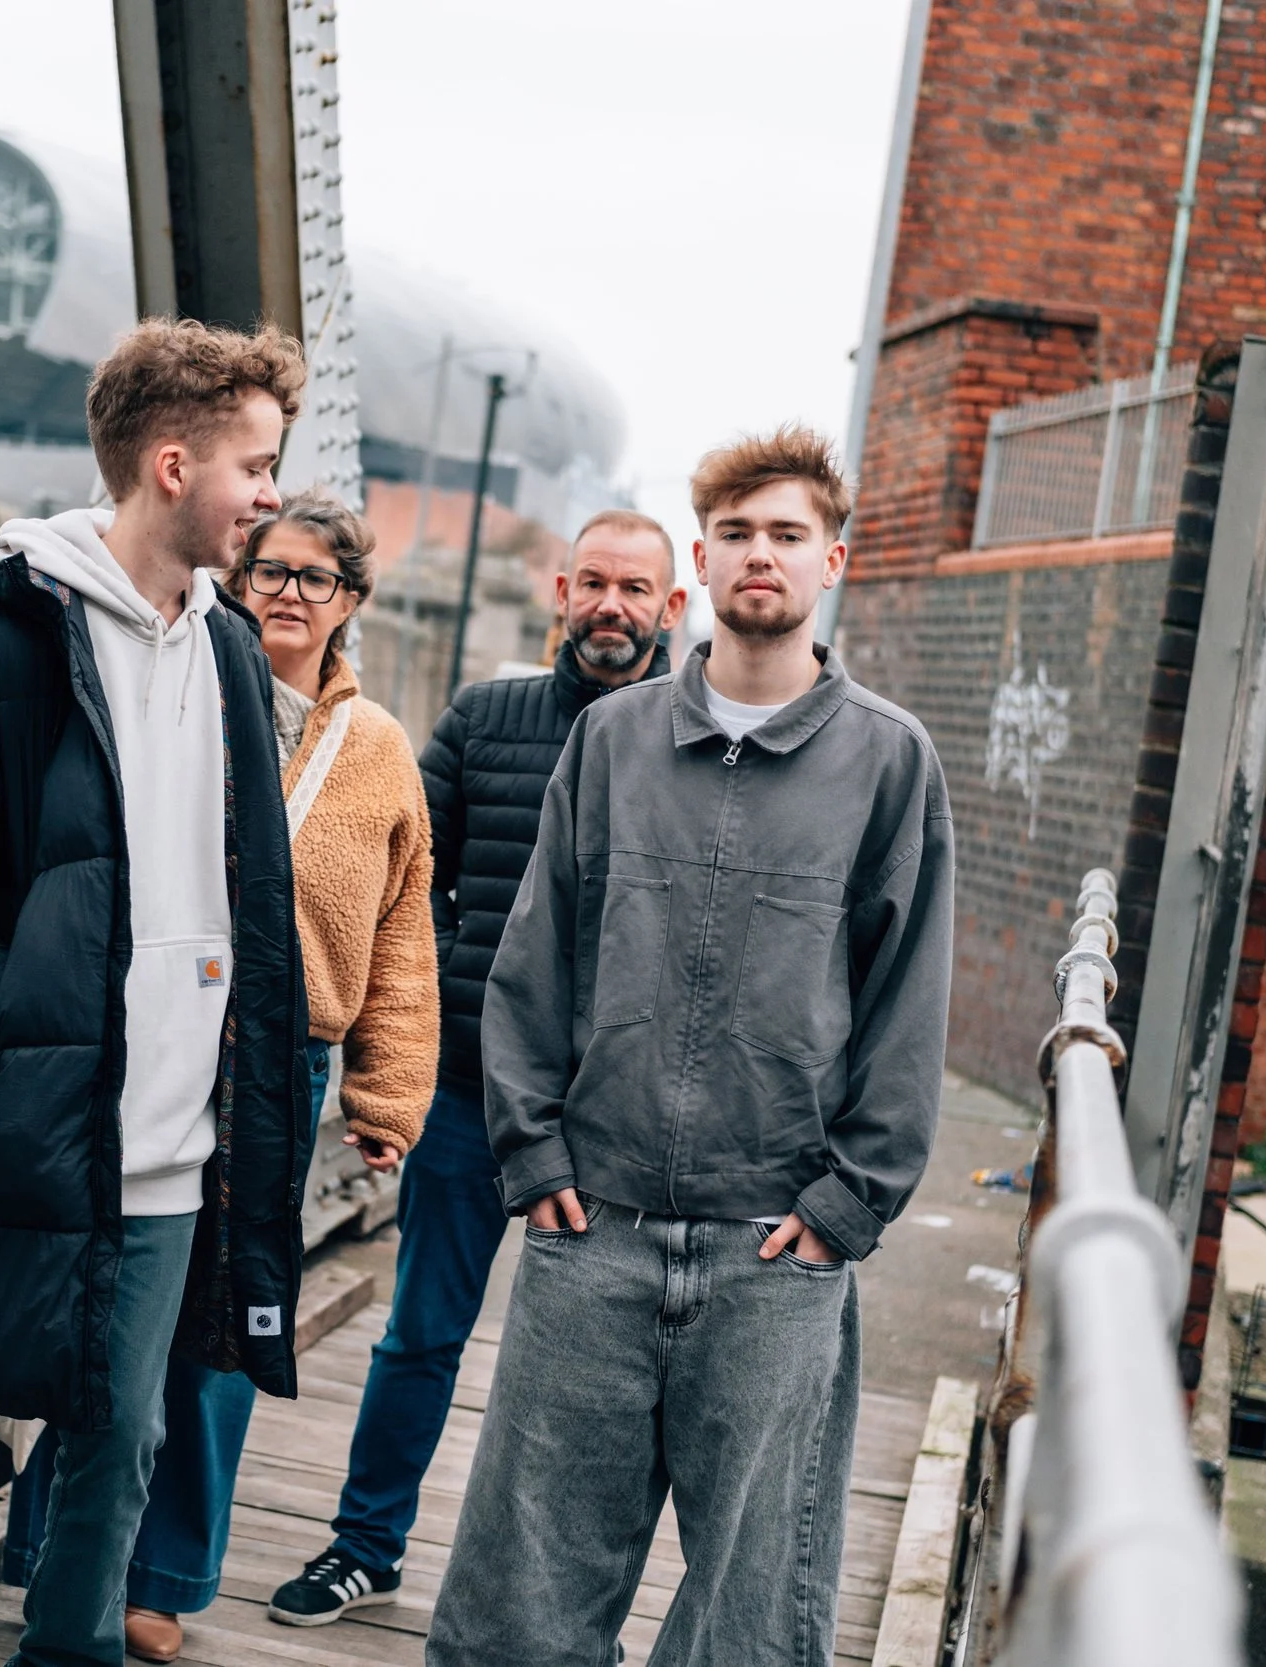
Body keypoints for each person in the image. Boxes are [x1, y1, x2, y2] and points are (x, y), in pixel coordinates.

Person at [427, 425, 955, 1667]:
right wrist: (531, 1151)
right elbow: (535, 957)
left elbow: (906, 1002)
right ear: (702, 562)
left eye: (787, 534)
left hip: (773, 1248)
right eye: (735, 533)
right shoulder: (610, 742)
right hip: (591, 1231)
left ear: (832, 560)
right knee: (518, 1604)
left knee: (750, 1614)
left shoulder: (888, 760)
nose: (760, 554)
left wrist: (847, 1203)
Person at [0, 318, 314, 1667]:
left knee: (123, 1436)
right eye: (255, 465)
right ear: (173, 465)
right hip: (4, 1125)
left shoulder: (228, 650)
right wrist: (29, 1035)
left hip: (165, 1152)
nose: (269, 494)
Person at [8, 492, 440, 1662]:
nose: (289, 592)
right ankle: (53, 1548)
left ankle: (160, 1577)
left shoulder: (378, 749)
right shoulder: (183, 689)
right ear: (238, 581)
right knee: (113, 1304)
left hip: (283, 1063)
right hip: (164, 1028)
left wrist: (387, 1096)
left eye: (316, 576)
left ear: (350, 601)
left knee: (225, 1323)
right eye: (270, 569)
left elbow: (402, 932)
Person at [268, 508, 687, 1626]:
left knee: (585, 1371)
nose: (610, 605)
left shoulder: (693, 745)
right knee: (420, 1333)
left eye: (633, 588)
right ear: (561, 592)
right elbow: (406, 879)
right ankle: (365, 1545)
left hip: (608, 1118)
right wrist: (466, 990)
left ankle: (546, 1602)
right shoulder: (485, 720)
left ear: (669, 605)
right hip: (469, 1094)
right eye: (592, 582)